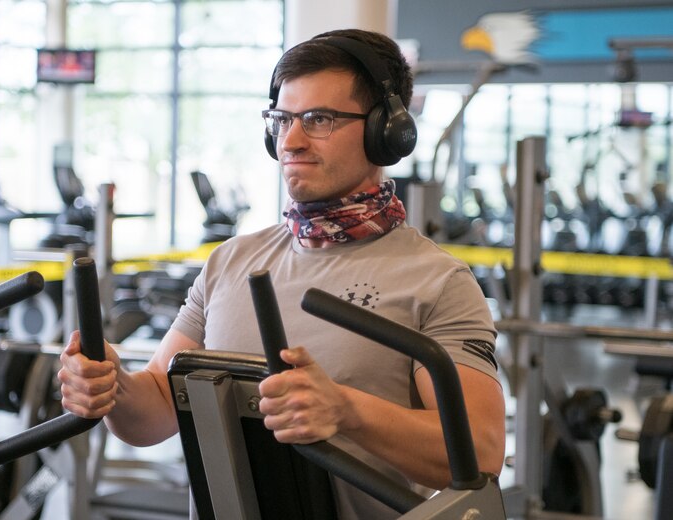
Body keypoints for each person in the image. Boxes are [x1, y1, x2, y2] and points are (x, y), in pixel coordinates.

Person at [58, 28, 505, 519]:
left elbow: (480, 454)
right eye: (282, 118)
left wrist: (346, 410)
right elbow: (157, 411)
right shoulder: (231, 261)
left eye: (319, 119)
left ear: (387, 130)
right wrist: (112, 385)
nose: (290, 140)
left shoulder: (437, 282)